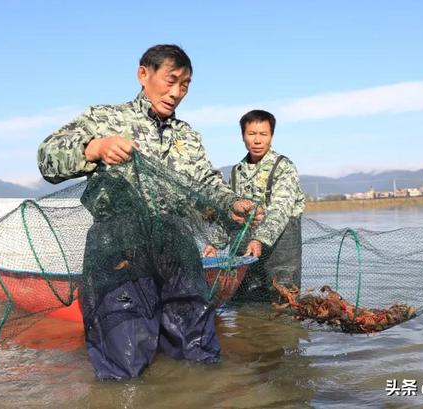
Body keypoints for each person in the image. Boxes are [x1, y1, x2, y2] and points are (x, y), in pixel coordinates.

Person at [37, 44, 262, 379]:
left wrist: (232, 203)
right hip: (120, 249)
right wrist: (94, 148)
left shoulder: (187, 135)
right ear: (144, 74)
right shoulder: (105, 118)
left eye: (185, 85)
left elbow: (206, 182)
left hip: (175, 248)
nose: (176, 92)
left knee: (197, 349)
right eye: (171, 80)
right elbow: (47, 158)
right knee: (125, 357)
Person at [204, 109, 305, 301]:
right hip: (246, 248)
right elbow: (230, 213)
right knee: (247, 304)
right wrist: (214, 244)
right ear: (243, 137)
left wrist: (259, 239)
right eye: (251, 134)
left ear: (271, 136)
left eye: (263, 134)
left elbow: (280, 211)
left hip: (281, 246)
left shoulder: (284, 167)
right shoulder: (236, 172)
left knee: (283, 299)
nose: (257, 140)